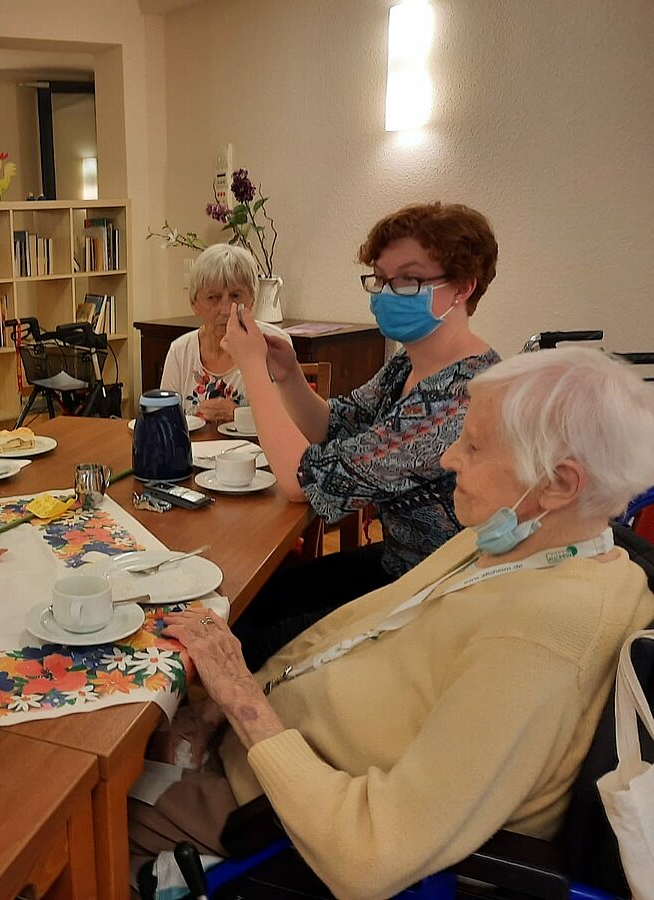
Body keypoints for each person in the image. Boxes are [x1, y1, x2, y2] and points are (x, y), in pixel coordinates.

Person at [133, 347, 654, 898]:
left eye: (474, 446)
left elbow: (370, 856)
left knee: (83, 814)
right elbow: (352, 630)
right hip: (264, 747)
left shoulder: (541, 635)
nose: (449, 457)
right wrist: (226, 703)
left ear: (559, 484)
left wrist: (241, 698)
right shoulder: (520, 542)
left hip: (274, 813)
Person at [225, 202, 502, 664]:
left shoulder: (459, 399)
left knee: (248, 639)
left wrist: (251, 367)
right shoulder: (409, 364)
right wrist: (287, 373)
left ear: (463, 286)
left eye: (408, 280)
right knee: (249, 602)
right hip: (398, 564)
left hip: (432, 599)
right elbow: (333, 425)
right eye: (380, 278)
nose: (388, 294)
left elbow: (302, 483)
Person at [160, 243, 292, 425]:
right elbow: (165, 422)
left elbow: (287, 422)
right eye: (212, 297)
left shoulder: (274, 344)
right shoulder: (180, 351)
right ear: (194, 303)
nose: (224, 309)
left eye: (235, 296)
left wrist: (238, 414)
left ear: (252, 300)